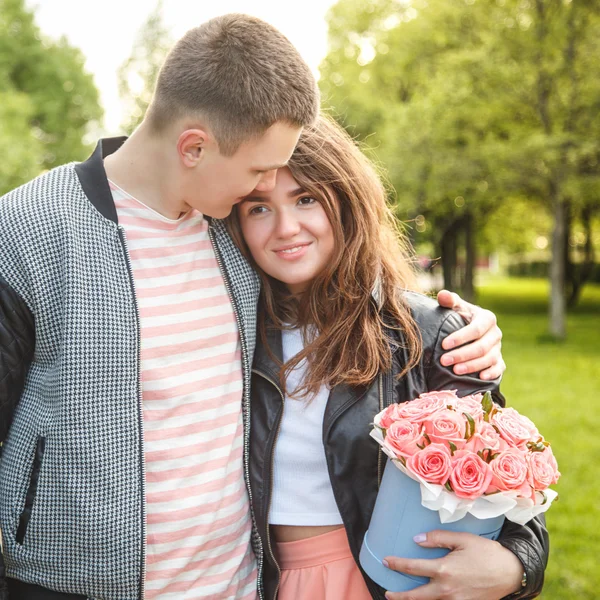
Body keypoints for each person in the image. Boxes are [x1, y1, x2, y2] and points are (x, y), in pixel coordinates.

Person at [0, 14, 504, 600]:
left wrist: (459, 325)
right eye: (259, 173)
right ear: (194, 147)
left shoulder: (231, 237)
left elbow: (345, 295)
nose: (264, 194)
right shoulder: (29, 228)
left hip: (241, 586)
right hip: (70, 586)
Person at [226, 114, 548, 600]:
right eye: (257, 208)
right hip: (261, 582)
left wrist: (516, 568)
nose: (285, 228)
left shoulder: (427, 332)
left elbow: (509, 489)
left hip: (389, 579)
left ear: (346, 198)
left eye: (306, 198)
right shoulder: (232, 329)